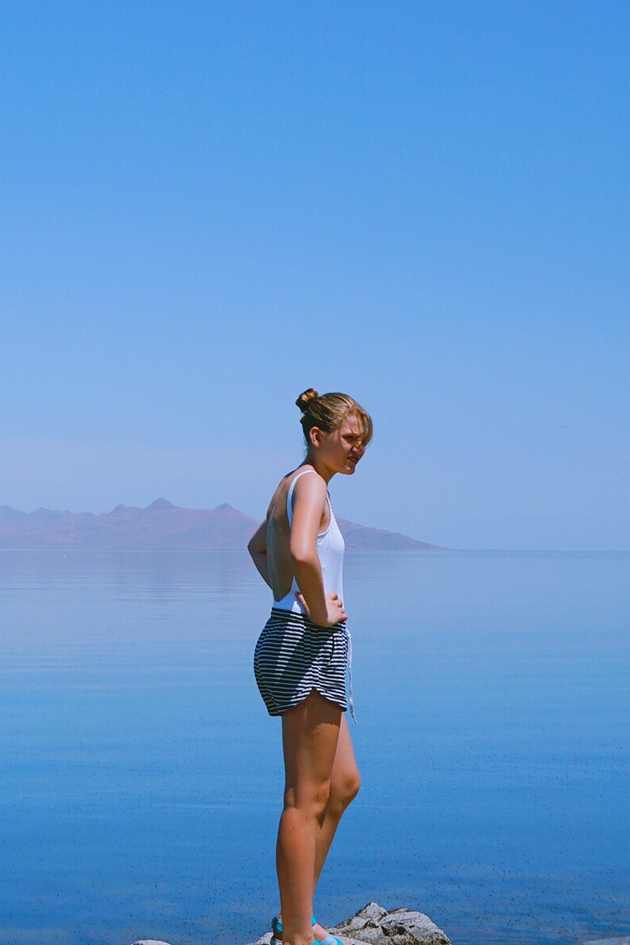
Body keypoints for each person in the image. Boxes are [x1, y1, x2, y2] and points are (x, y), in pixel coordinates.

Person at [245, 389, 372, 945]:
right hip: (307, 642)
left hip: (299, 637)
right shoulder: (312, 484)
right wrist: (315, 608)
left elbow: (257, 548)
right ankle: (296, 936)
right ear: (317, 436)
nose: (358, 449)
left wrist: (284, 596)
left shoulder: (289, 486)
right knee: (304, 799)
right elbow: (298, 552)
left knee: (342, 783)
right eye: (349, 438)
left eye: (363, 441)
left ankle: (296, 917)